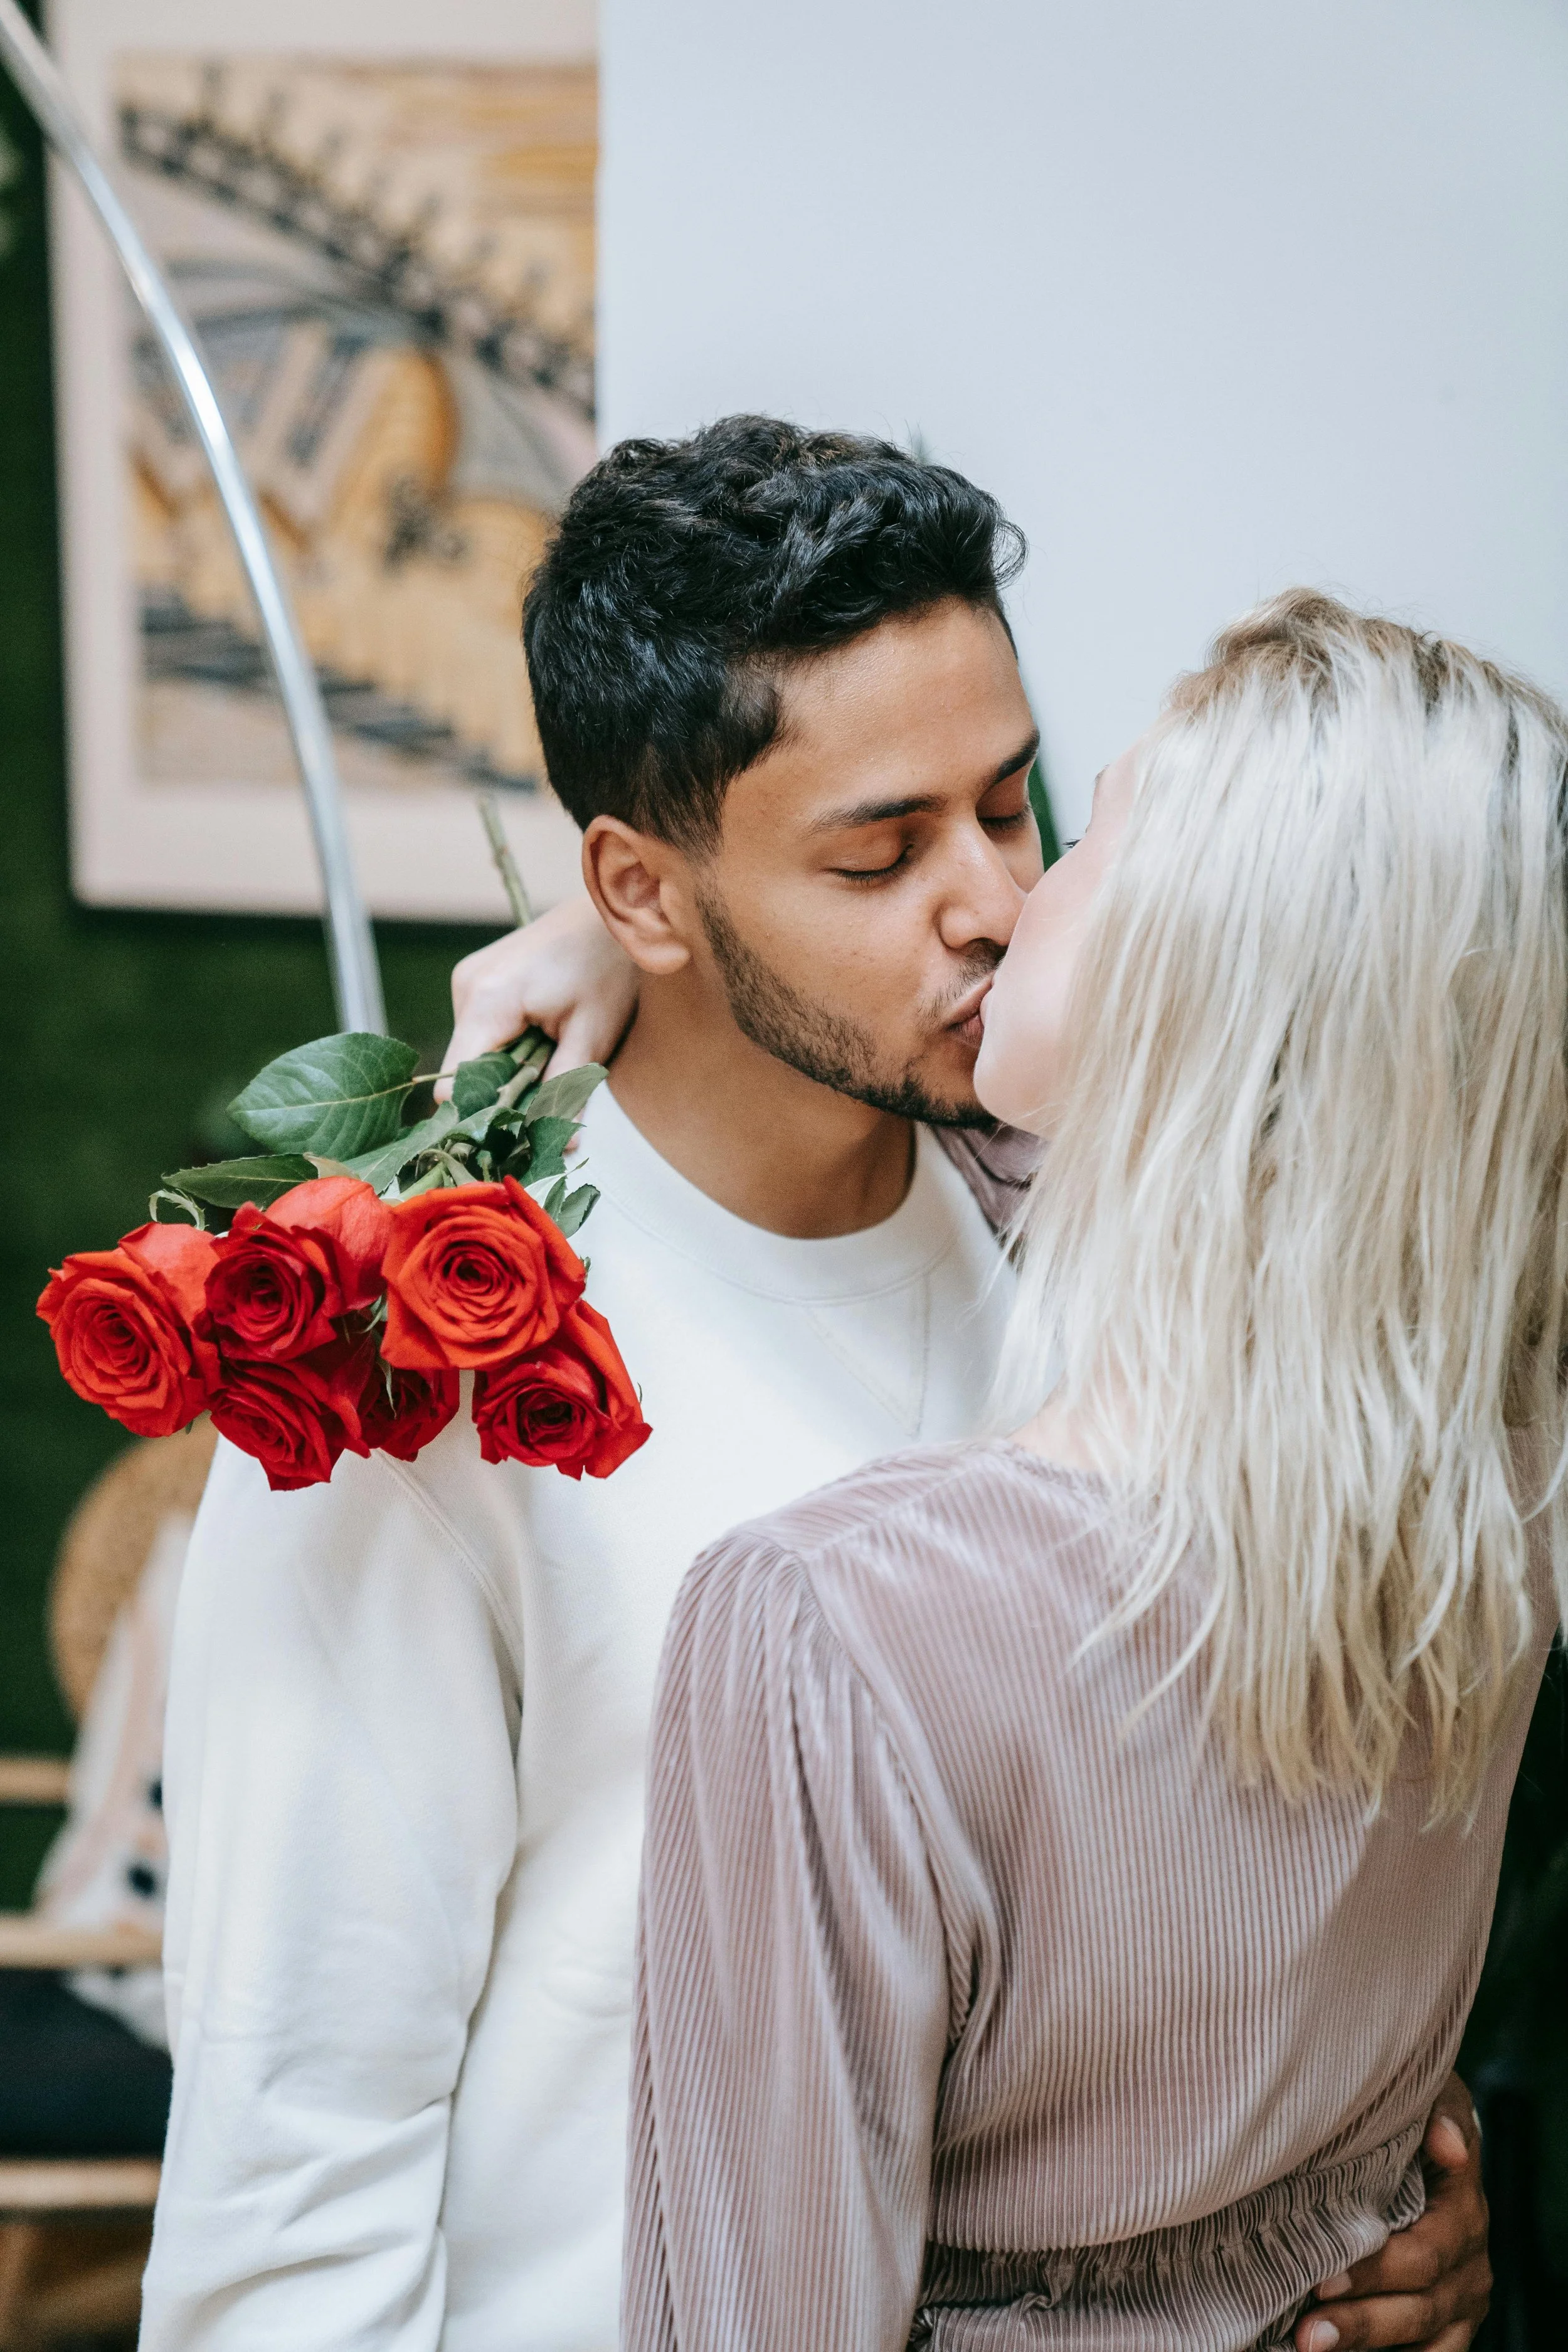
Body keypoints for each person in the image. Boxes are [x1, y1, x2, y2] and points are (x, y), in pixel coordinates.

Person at [142, 421, 1486, 2352]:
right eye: (880, 852)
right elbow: (290, 2185)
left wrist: (1343, 2204)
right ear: (641, 894)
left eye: (1012, 808)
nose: (991, 900)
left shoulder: (1107, 1242)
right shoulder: (435, 1376)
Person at [621, 591, 1562, 2352]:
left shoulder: (831, 1627)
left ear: (1202, 970)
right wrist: (662, 937)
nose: (1002, 897)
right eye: (884, 853)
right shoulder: (1500, 1516)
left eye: (1065, 827)